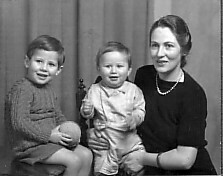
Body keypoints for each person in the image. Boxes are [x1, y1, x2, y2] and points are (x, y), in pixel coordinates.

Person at [88, 15, 217, 175]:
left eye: (168, 46)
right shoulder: (144, 74)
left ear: (183, 50)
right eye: (154, 45)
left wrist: (142, 159)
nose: (159, 54)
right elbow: (111, 101)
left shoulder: (193, 94)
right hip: (147, 166)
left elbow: (185, 160)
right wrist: (94, 134)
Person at [4, 35, 93, 176]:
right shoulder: (22, 89)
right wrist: (49, 136)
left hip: (48, 142)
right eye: (39, 61)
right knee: (73, 161)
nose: (44, 68)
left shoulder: (49, 90)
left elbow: (57, 115)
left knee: (86, 154)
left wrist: (66, 130)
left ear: (58, 70)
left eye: (51, 64)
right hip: (29, 146)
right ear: (27, 62)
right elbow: (19, 123)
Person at [81, 41, 146, 176]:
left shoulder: (134, 90)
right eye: (108, 66)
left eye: (119, 66)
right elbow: (87, 114)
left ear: (129, 70)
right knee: (101, 170)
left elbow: (140, 110)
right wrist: (87, 110)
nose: (114, 71)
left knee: (141, 166)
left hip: (129, 143)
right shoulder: (95, 90)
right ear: (99, 69)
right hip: (105, 145)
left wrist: (135, 118)